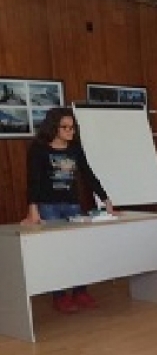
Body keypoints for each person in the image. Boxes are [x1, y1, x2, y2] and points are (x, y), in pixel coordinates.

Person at [22, 107, 114, 313]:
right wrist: (33, 209)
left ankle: (80, 291)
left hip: (72, 205)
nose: (70, 131)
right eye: (65, 127)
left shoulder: (75, 148)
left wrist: (105, 198)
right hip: (48, 207)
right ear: (53, 127)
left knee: (78, 250)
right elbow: (33, 181)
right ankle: (60, 296)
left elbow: (88, 174)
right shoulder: (38, 149)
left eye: (72, 127)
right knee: (56, 253)